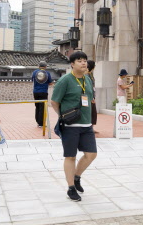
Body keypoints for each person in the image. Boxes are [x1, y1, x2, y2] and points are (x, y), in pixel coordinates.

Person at [51, 51, 97, 202]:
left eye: (85, 60)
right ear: (72, 64)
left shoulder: (87, 79)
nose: (83, 63)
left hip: (86, 124)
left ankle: (76, 177)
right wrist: (63, 116)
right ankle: (71, 188)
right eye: (79, 60)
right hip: (70, 125)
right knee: (70, 156)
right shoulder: (65, 80)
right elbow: (54, 102)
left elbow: (89, 98)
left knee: (91, 154)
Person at [32, 61, 53, 128]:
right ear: (45, 66)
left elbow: (32, 80)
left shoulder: (34, 72)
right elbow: (50, 82)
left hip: (35, 92)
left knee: (37, 106)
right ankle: (41, 123)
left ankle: (38, 121)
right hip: (43, 92)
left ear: (39, 66)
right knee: (43, 107)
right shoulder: (47, 73)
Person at [87, 60, 98, 132]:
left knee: (93, 112)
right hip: (88, 97)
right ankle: (89, 128)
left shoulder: (91, 74)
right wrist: (91, 97)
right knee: (89, 112)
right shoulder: (86, 75)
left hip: (92, 96)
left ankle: (91, 127)